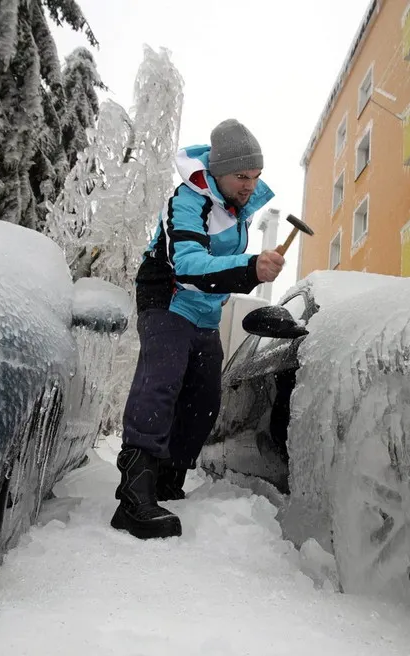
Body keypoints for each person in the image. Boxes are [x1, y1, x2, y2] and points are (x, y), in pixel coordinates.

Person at [111, 119, 285, 540]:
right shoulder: (188, 200)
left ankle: (168, 480)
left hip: (205, 312)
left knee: (204, 398)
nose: (249, 185)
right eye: (242, 176)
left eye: (256, 177)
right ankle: (133, 497)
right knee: (162, 382)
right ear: (217, 172)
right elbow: (186, 266)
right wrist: (249, 267)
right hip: (168, 298)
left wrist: (249, 269)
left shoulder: (237, 210)